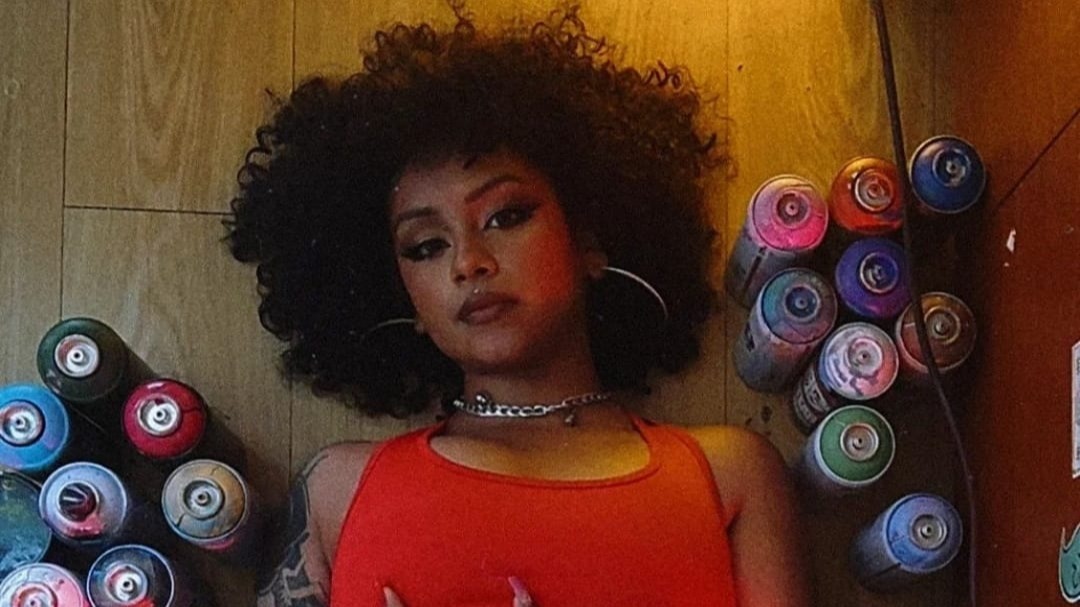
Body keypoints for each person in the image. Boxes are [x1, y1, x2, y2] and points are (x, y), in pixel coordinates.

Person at [228, 6, 809, 606]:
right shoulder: (336, 490)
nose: (468, 261)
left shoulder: (730, 475)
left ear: (588, 243)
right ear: (405, 297)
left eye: (506, 216)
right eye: (426, 246)